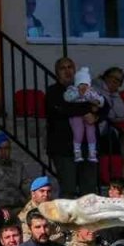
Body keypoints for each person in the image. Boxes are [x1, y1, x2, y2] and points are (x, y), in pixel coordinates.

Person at [47, 57, 99, 198]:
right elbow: (62, 108)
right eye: (63, 68)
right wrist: (86, 111)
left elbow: (102, 106)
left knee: (89, 191)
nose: (67, 71)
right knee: (68, 189)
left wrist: (96, 116)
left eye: (70, 67)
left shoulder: (85, 89)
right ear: (57, 73)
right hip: (64, 149)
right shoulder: (53, 91)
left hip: (86, 148)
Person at [62, 65, 107, 163]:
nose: (83, 86)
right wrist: (78, 93)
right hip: (77, 117)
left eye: (86, 84)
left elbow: (101, 100)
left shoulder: (91, 91)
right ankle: (77, 152)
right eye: (81, 83)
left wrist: (97, 102)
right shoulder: (72, 90)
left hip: (88, 117)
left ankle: (92, 153)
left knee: (91, 132)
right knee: (78, 133)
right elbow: (67, 98)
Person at [19, 176, 67, 244]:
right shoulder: (26, 215)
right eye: (42, 191)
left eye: (48, 191)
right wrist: (60, 235)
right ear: (33, 194)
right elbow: (30, 241)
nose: (46, 194)